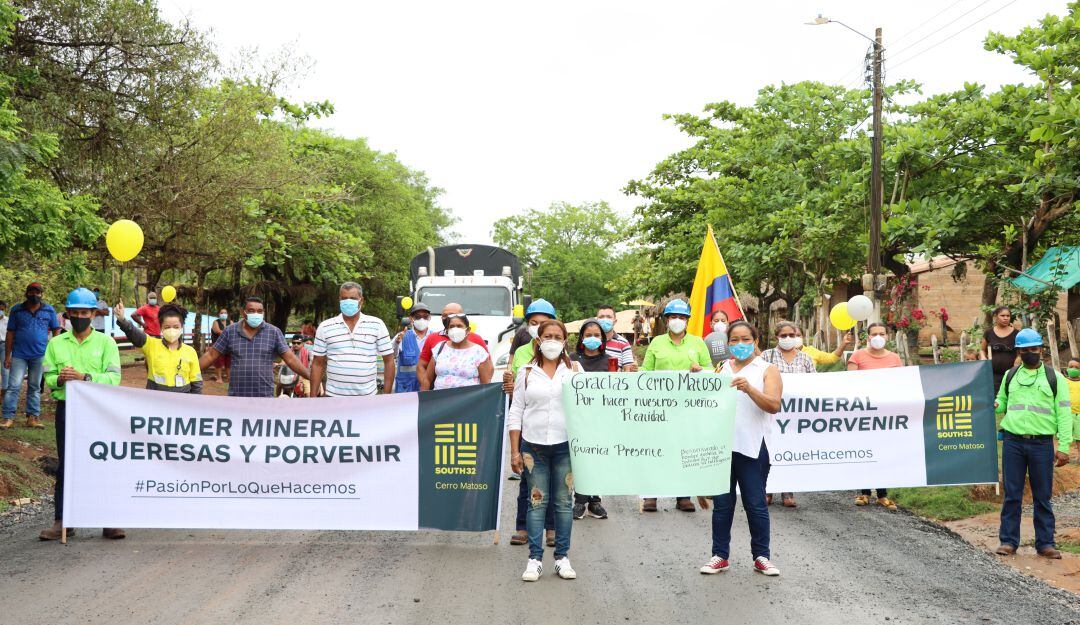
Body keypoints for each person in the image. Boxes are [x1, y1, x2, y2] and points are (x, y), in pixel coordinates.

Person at [39, 288, 122, 540]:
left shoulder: (106, 343)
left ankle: (108, 520)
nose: (79, 316)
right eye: (74, 313)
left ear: (93, 314)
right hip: (68, 410)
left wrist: (85, 377)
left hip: (99, 411)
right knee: (68, 464)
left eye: (84, 312)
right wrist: (60, 379)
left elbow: (114, 378)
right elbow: (48, 376)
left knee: (102, 463)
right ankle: (62, 521)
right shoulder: (55, 344)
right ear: (67, 314)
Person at [701, 320, 782, 577]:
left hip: (753, 446)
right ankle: (719, 555)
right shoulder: (721, 368)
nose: (739, 344)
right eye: (734, 340)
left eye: (746, 339)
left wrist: (750, 389)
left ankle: (761, 556)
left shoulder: (767, 370)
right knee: (723, 505)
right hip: (723, 447)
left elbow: (773, 405)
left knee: (755, 503)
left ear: (756, 341)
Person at [508, 319, 582, 582]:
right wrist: (514, 451)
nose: (552, 340)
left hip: (565, 447)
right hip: (533, 446)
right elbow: (516, 411)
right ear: (538, 340)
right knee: (536, 502)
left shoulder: (574, 370)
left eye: (557, 336)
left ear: (564, 341)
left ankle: (562, 557)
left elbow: (589, 408)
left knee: (563, 503)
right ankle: (534, 559)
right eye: (547, 335)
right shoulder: (526, 372)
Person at [994, 328, 1072, 559]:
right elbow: (1002, 399)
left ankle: (1046, 544)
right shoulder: (1011, 375)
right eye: (1026, 350)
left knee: (1042, 495)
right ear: (1019, 351)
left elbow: (1064, 414)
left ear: (1041, 350)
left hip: (1041, 445)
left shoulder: (1054, 378)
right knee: (1012, 495)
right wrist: (995, 404)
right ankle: (1008, 542)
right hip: (1013, 442)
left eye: (1034, 349)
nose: (1030, 353)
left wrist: (1064, 447)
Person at [640, 299, 711, 512]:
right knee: (656, 450)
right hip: (660, 407)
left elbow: (712, 371)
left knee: (684, 450)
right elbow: (645, 371)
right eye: (673, 317)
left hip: (689, 408)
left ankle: (683, 496)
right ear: (666, 320)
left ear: (688, 320)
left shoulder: (698, 343)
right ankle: (650, 495)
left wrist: (701, 370)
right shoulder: (656, 343)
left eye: (681, 317)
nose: (677, 321)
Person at [500, 298, 557, 546]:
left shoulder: (565, 356)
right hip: (528, 423)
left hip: (556, 426)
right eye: (534, 323)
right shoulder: (523, 352)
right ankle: (522, 527)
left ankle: (552, 528)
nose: (538, 327)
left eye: (543, 323)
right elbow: (517, 391)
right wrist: (509, 386)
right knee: (526, 477)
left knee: (556, 480)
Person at [568, 319, 626, 521]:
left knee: (599, 458)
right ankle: (580, 501)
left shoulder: (609, 361)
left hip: (602, 418)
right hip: (579, 418)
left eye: (597, 335)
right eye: (588, 335)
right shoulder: (572, 359)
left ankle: (594, 501)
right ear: (582, 338)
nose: (592, 338)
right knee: (582, 459)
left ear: (603, 339)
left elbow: (617, 388)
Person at [198, 296, 309, 398]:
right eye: (251, 311)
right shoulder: (230, 331)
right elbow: (211, 355)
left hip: (264, 395)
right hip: (237, 395)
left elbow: (290, 358)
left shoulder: (273, 332)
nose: (256, 314)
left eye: (259, 311)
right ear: (243, 312)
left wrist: (310, 376)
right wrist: (190, 371)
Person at [759, 320, 815, 508]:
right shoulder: (767, 356)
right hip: (771, 412)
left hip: (795, 416)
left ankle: (788, 492)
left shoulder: (805, 359)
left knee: (790, 450)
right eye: (783, 335)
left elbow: (816, 385)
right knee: (770, 450)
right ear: (777, 337)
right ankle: (767, 490)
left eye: (792, 335)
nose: (788, 338)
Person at [847, 322, 903, 509]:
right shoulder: (857, 356)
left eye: (882, 333)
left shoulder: (895, 358)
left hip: (886, 413)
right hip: (863, 412)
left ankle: (882, 494)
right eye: (874, 334)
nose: (878, 337)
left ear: (887, 336)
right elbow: (849, 384)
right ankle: (863, 493)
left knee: (883, 451)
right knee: (864, 451)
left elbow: (901, 385)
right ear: (868, 337)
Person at [310, 282, 394, 397]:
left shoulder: (377, 324)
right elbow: (317, 364)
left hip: (367, 399)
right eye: (344, 298)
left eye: (353, 298)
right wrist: (312, 398)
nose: (348, 301)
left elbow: (389, 361)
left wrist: (387, 396)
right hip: (333, 397)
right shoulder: (325, 327)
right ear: (339, 300)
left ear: (361, 300)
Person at [3, 282, 61, 429]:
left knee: (34, 387)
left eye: (37, 292)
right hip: (19, 355)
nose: (34, 295)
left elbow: (56, 330)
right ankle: (8, 418)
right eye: (31, 292)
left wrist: (52, 350)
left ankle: (32, 418)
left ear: (41, 294)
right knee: (13, 386)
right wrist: (7, 356)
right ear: (26, 293)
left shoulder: (49, 310)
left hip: (40, 355)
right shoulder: (16, 310)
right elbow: (10, 333)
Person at [114, 302, 202, 393]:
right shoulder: (151, 345)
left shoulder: (190, 351)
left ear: (181, 327)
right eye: (167, 327)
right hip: (155, 401)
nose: (172, 330)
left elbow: (196, 383)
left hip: (182, 402)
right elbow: (135, 334)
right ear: (161, 328)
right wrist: (122, 320)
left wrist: (194, 403)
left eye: (176, 327)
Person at [418, 302, 488, 391]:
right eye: (451, 326)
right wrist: (425, 399)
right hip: (440, 400)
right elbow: (426, 377)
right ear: (447, 330)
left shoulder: (479, 351)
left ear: (467, 330)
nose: (455, 329)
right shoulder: (439, 348)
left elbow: (485, 384)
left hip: (469, 402)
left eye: (459, 326)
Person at [981, 306, 1020, 398]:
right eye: (1002, 315)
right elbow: (982, 349)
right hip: (993, 374)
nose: (1005, 318)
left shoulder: (1016, 333)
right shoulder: (989, 333)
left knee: (1011, 398)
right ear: (995, 316)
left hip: (1011, 373)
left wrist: (1019, 358)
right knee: (994, 400)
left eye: (1008, 316)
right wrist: (983, 356)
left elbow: (1021, 351)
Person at [393, 303, 432, 393]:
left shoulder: (434, 338)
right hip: (406, 388)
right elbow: (392, 355)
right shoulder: (401, 336)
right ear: (411, 319)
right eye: (418, 317)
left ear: (429, 318)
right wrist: (397, 343)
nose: (422, 319)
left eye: (425, 317)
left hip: (427, 388)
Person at [595, 305, 637, 371]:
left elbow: (628, 370)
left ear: (615, 321)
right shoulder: (590, 342)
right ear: (596, 321)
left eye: (609, 317)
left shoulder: (624, 343)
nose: (605, 319)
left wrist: (632, 368)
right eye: (601, 317)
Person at [209, 309, 231, 383]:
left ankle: (229, 377)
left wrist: (225, 331)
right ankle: (219, 378)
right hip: (218, 345)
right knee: (218, 362)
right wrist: (228, 332)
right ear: (219, 314)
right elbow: (218, 331)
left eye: (225, 313)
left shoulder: (230, 322)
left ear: (227, 314)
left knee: (229, 362)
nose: (223, 314)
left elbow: (234, 331)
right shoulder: (216, 322)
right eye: (222, 313)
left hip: (228, 345)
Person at [1066, 359, 1080, 459]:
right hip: (1066, 414)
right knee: (1065, 436)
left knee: (1079, 438)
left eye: (1076, 367)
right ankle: (1064, 455)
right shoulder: (1063, 381)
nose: (1073, 369)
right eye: (1071, 366)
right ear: (1067, 368)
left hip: (1079, 415)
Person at [0, 300, 7, 400]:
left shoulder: (8, 320)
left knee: (5, 369)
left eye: (2, 309)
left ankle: (4, 392)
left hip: (4, 345)